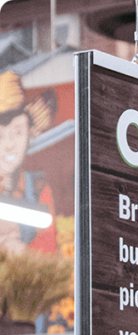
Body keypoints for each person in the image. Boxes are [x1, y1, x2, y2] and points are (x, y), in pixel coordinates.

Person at [0, 71, 57, 255]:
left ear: (29, 134)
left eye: (17, 132)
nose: (9, 146)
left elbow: (48, 249)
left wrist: (20, 251)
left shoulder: (39, 189)